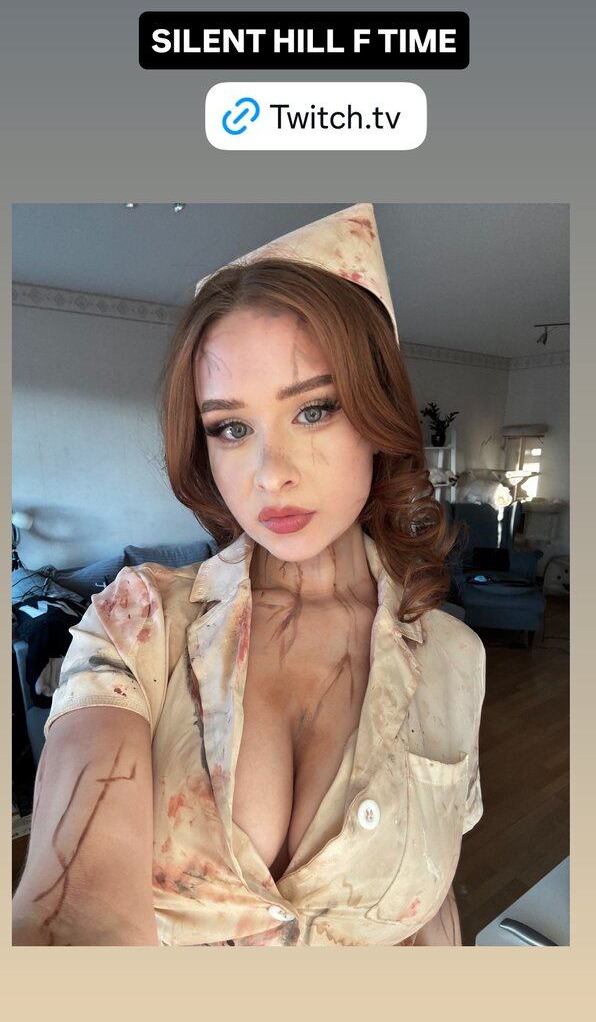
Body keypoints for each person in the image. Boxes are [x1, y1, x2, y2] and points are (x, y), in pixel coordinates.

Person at [12, 204, 485, 946]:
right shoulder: (138, 624)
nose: (270, 474)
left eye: (315, 410)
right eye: (232, 428)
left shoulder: (457, 658)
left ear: (378, 415)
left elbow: (428, 904)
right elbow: (74, 905)